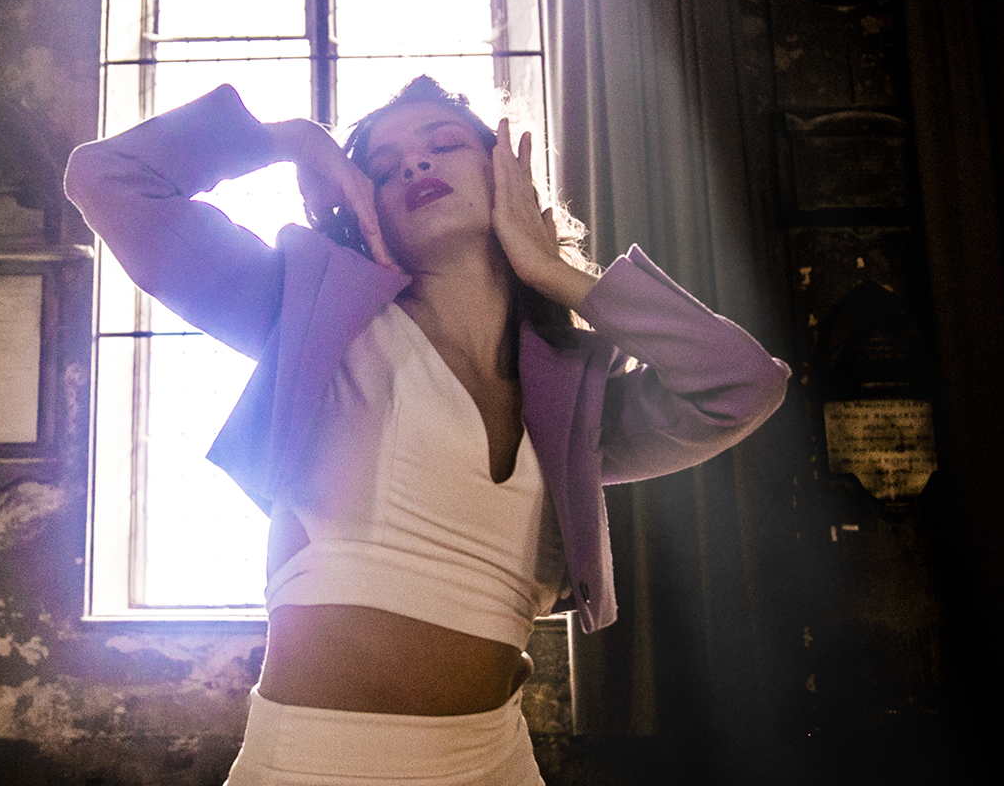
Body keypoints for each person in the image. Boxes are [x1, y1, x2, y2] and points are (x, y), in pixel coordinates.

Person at [64, 78, 788, 786]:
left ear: (509, 179)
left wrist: (553, 271)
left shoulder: (570, 400)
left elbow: (743, 386)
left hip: (496, 762)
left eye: (442, 143)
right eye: (382, 165)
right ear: (361, 204)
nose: (413, 162)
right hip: (315, 764)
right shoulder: (315, 316)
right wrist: (291, 141)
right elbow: (106, 178)